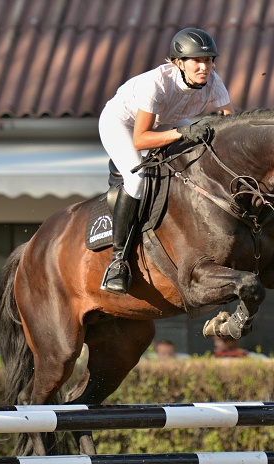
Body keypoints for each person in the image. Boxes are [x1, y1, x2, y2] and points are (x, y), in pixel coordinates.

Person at [98, 27, 234, 295]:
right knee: (137, 181)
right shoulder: (156, 84)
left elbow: (231, 128)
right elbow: (140, 139)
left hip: (166, 120)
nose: (204, 67)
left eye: (208, 60)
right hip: (122, 124)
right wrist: (184, 132)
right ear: (179, 63)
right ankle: (118, 262)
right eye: (197, 60)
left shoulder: (214, 83)